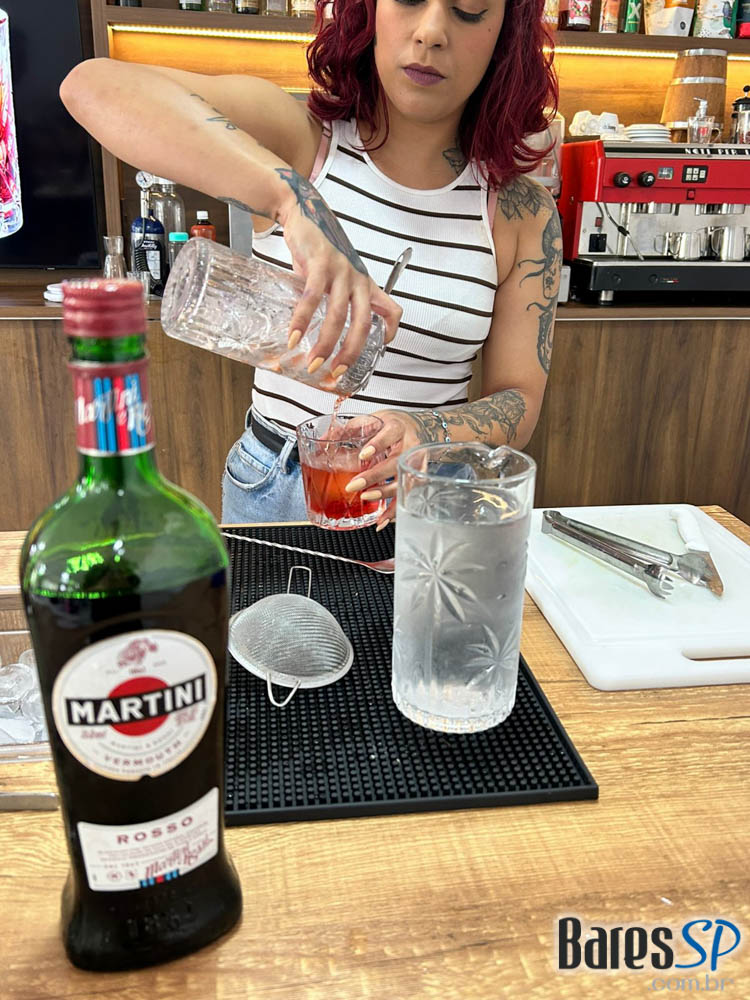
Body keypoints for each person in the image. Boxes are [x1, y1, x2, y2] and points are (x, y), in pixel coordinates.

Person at [60, 0, 561, 528]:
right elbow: (90, 87)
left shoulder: (521, 212)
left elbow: (519, 401)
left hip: (427, 493)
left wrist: (427, 431)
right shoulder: (297, 139)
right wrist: (294, 199)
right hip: (277, 485)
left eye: (469, 10)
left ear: (505, 35)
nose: (431, 31)